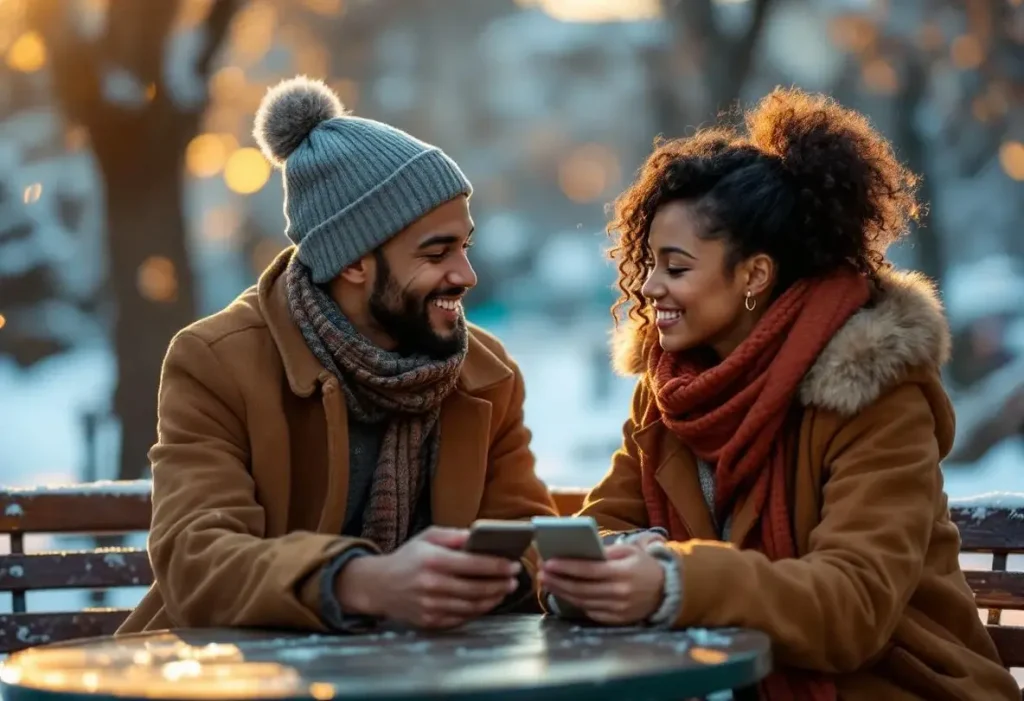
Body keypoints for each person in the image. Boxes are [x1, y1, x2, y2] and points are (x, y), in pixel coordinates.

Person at [538, 88, 1019, 700]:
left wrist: (675, 582)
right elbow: (606, 523)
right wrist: (606, 566)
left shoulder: (873, 393)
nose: (650, 286)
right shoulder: (672, 392)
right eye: (648, 263)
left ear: (755, 275)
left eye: (676, 267)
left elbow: (853, 605)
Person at [118, 76, 556, 635]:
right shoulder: (215, 362)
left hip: (428, 668)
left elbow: (527, 535)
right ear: (352, 262)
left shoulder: (485, 376)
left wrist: (494, 577)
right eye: (436, 253)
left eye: (464, 246)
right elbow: (196, 559)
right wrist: (362, 583)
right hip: (229, 668)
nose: (466, 275)